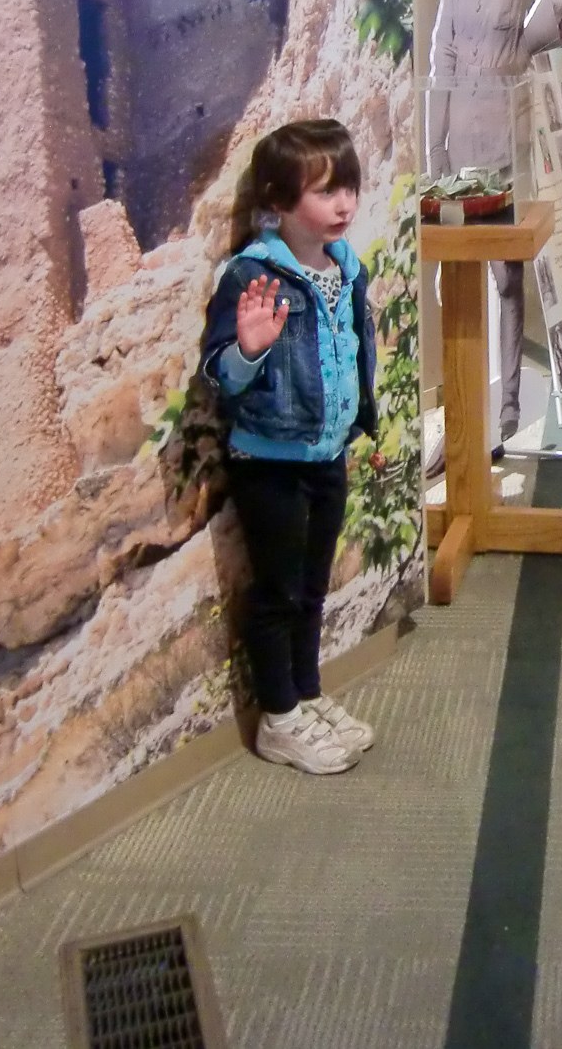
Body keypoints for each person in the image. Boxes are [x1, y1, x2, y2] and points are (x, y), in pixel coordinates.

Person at [200, 120, 379, 776]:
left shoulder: (345, 267)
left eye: (349, 187)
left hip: (326, 454)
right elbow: (221, 375)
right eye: (326, 191)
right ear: (276, 202)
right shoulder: (253, 277)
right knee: (277, 595)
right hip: (269, 464)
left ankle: (307, 694)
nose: (344, 204)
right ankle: (278, 717)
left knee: (310, 590)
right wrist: (248, 347)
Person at [429, 0, 562, 439]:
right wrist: (435, 141)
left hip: (504, 132)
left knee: (506, 273)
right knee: (453, 275)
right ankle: (463, 409)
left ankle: (509, 406)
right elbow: (442, 40)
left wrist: (530, 41)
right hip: (460, 129)